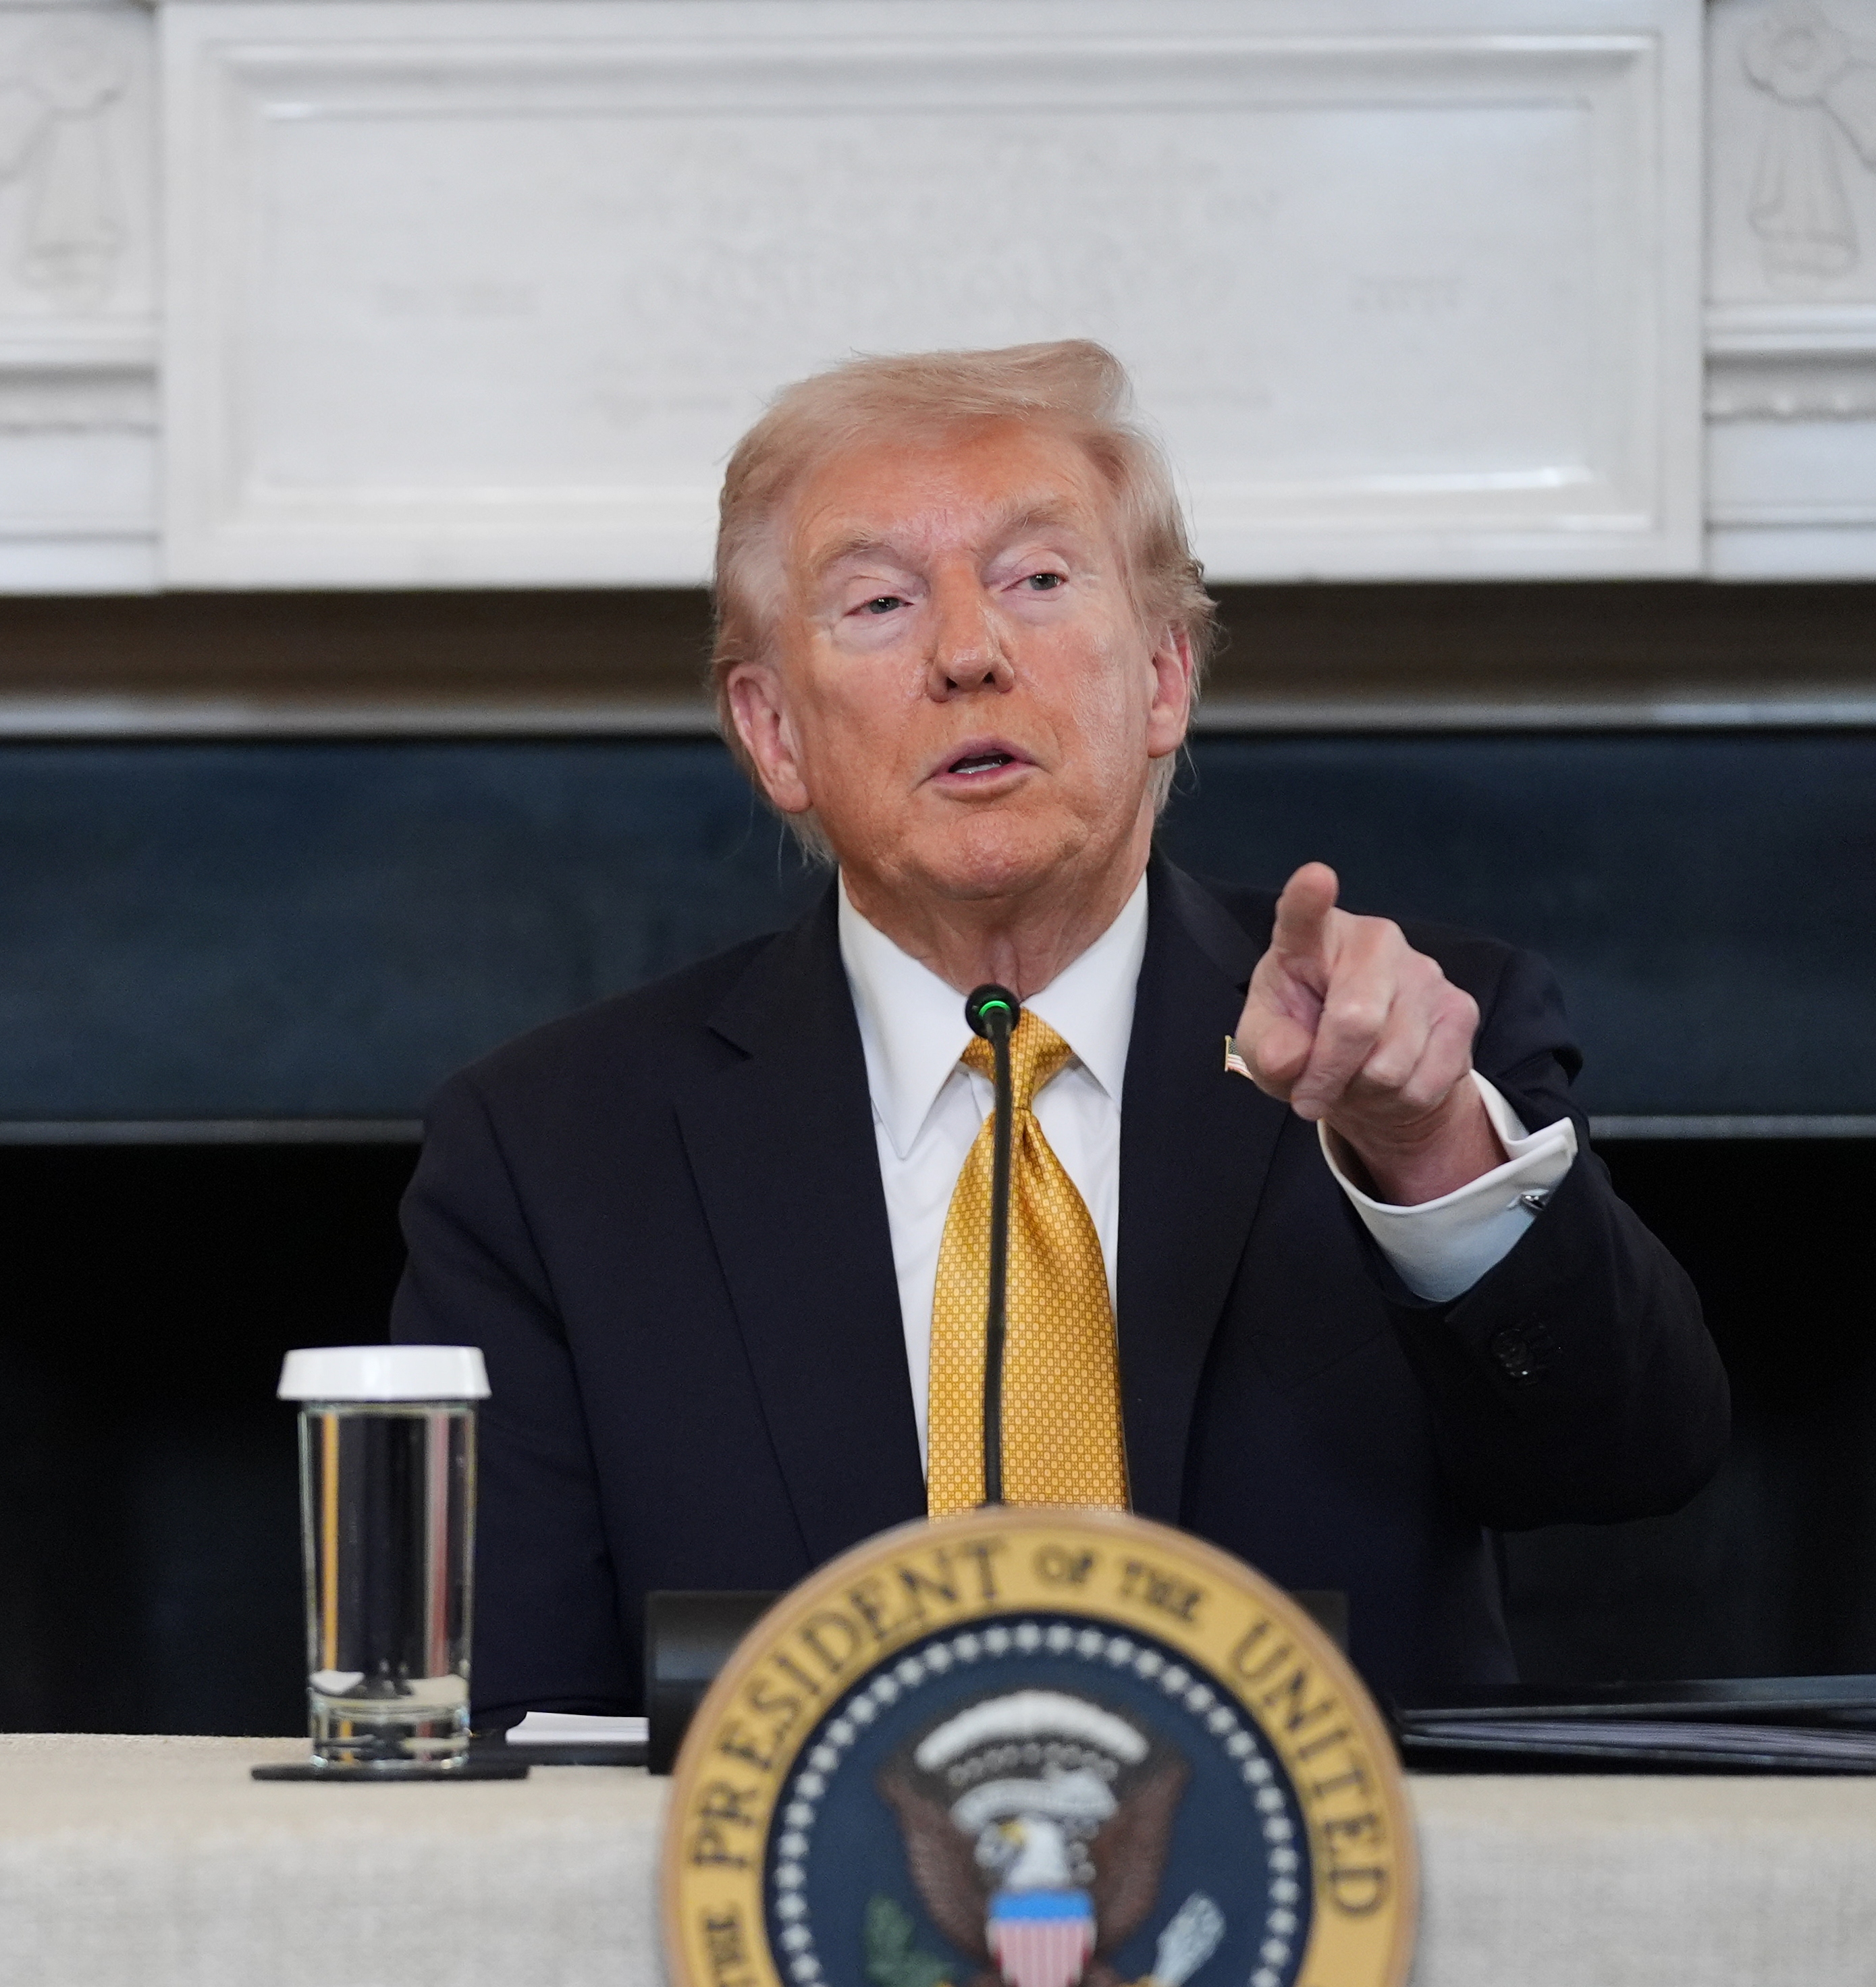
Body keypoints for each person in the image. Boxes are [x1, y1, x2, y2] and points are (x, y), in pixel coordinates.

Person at [393, 341, 1725, 1712]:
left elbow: (1632, 1464)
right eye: (878, 602)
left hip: (1338, 1909)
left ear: (1162, 676)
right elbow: (512, 1743)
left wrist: (1428, 1149)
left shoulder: (1412, 1041)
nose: (969, 654)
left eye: (1037, 580)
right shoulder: (550, 1155)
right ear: (772, 729)